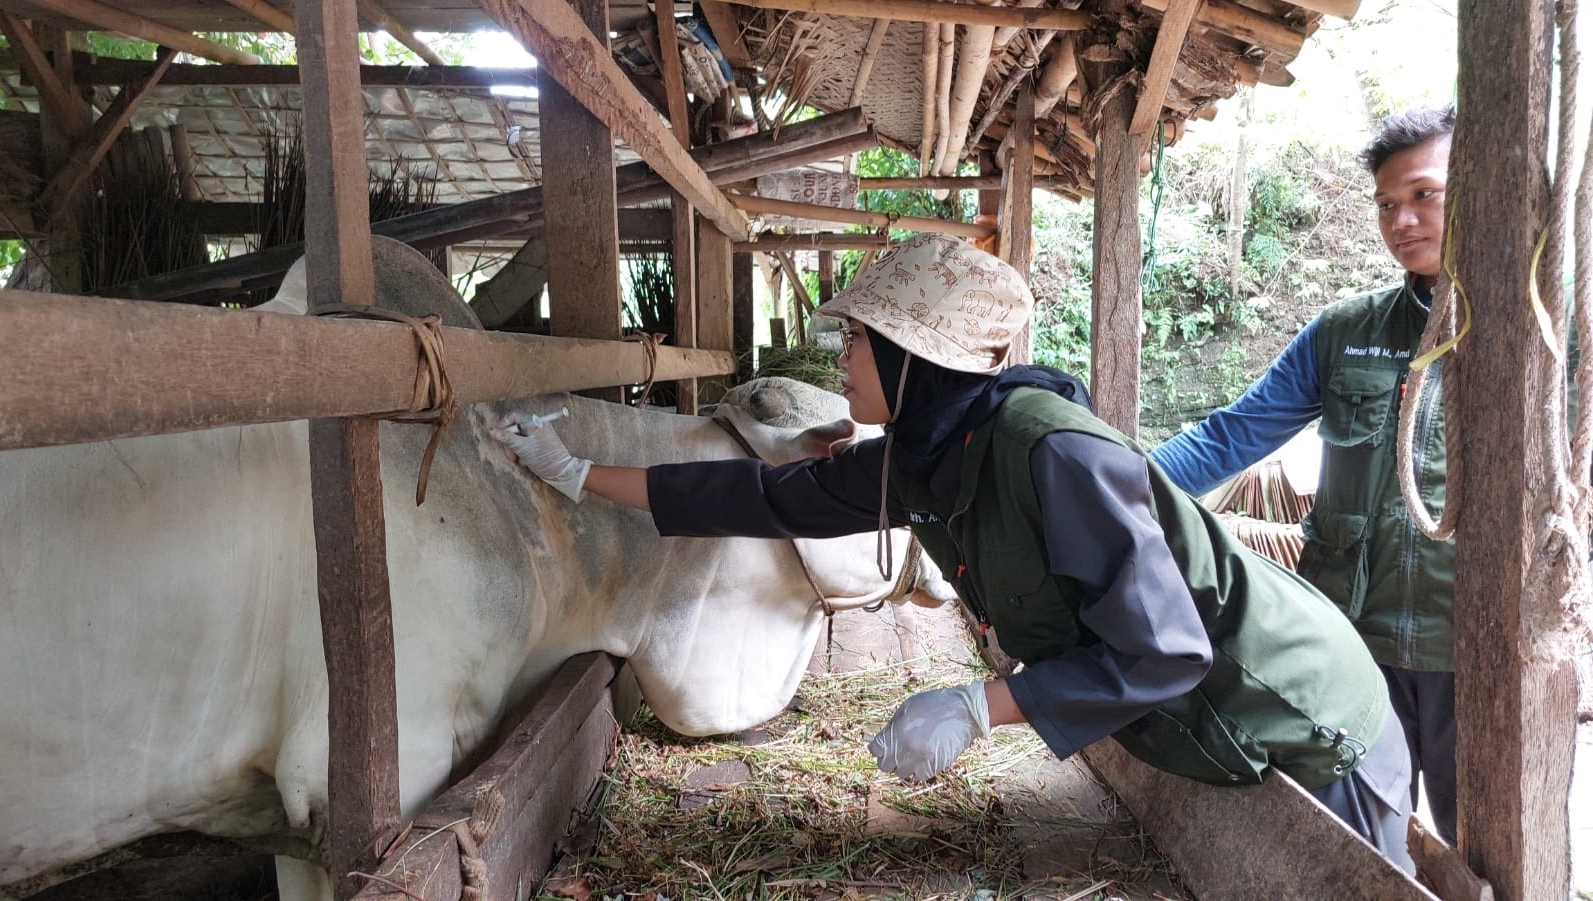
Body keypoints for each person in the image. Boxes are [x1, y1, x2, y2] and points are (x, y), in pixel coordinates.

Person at [495, 233, 1415, 870]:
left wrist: (980, 704)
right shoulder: (929, 450)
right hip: (1210, 731)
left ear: (914, 356)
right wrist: (580, 473)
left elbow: (1167, 647)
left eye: (859, 339)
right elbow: (769, 497)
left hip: (1303, 722)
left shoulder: (1054, 454)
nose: (844, 359)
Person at [1149, 105, 1458, 845]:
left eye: (1424, 194)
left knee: (1479, 843)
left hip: (1471, 649)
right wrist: (1111, 483)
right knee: (1358, 846)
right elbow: (1233, 434)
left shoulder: (1550, 329)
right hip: (1349, 646)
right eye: (1387, 203)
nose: (1401, 220)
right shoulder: (1346, 334)